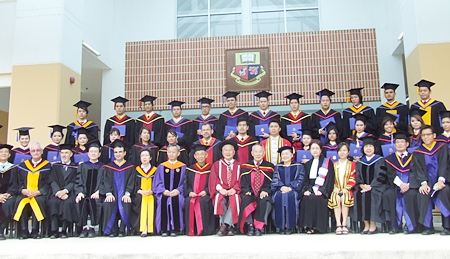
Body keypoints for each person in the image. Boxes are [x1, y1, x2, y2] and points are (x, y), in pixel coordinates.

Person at [410, 125, 450, 235]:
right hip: (426, 183)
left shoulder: (442, 147)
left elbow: (445, 165)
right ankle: (427, 226)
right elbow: (418, 170)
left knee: (445, 191)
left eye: (428, 134)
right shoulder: (418, 152)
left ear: (434, 135)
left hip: (442, 182)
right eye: (423, 135)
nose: (426, 137)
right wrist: (423, 183)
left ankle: (447, 226)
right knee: (422, 193)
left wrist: (441, 180)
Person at [12, 142, 51, 239]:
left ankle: (35, 231)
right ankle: (24, 231)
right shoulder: (23, 166)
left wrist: (39, 192)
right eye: (33, 150)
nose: (36, 152)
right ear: (30, 152)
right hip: (25, 193)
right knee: (20, 201)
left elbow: (49, 183)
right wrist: (23, 190)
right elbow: (17, 183)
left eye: (38, 150)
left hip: (40, 194)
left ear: (42, 152)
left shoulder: (47, 166)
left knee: (38, 201)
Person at [383, 131, 419, 234]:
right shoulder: (389, 159)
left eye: (402, 142)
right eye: (397, 142)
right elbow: (390, 174)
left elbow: (416, 173)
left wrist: (408, 185)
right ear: (394, 145)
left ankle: (410, 225)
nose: (399, 144)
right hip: (395, 186)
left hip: (410, 186)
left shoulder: (414, 157)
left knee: (411, 195)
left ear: (407, 144)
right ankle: (395, 225)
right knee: (390, 195)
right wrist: (401, 184)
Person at [299, 140, 335, 234]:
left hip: (322, 189)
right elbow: (306, 181)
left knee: (318, 198)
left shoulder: (327, 163)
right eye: (313, 148)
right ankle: (308, 226)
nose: (315, 150)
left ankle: (319, 227)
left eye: (317, 148)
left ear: (320, 150)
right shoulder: (307, 164)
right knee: (307, 198)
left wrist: (322, 190)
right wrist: (307, 190)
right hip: (311, 188)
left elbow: (329, 179)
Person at [353, 136, 387, 234]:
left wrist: (370, 186)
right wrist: (361, 185)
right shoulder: (360, 162)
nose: (368, 148)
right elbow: (357, 176)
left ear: (374, 148)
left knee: (371, 194)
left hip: (376, 187)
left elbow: (381, 176)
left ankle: (373, 224)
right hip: (363, 187)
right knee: (358, 194)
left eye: (370, 146)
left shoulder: (380, 160)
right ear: (363, 149)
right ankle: (366, 224)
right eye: (366, 146)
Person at [238, 144, 274, 236]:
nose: (258, 154)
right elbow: (244, 182)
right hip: (250, 192)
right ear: (252, 153)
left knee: (264, 201)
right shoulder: (246, 166)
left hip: (263, 193)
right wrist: (247, 190)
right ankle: (250, 225)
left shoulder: (269, 167)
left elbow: (271, 182)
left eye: (260, 152)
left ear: (264, 153)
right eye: (256, 152)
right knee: (246, 199)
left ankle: (259, 227)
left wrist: (265, 190)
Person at [101, 139, 135, 237]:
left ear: (124, 153)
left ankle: (122, 230)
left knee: (126, 202)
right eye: (115, 152)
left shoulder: (130, 167)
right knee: (109, 202)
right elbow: (105, 182)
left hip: (125, 194)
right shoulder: (108, 167)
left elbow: (131, 182)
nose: (118, 154)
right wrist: (109, 193)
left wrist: (128, 193)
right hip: (113, 193)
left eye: (120, 152)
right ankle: (112, 229)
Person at [209, 140, 242, 236]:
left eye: (230, 150)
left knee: (235, 199)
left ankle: (224, 225)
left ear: (234, 152)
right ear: (222, 152)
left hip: (234, 190)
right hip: (221, 190)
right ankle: (230, 226)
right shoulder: (216, 164)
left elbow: (241, 180)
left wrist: (235, 189)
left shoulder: (239, 165)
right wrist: (220, 189)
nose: (228, 152)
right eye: (225, 150)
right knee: (219, 199)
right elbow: (213, 180)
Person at [153, 144, 186, 237]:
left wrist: (179, 190)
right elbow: (157, 182)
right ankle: (164, 229)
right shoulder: (161, 166)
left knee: (175, 200)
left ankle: (176, 228)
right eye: (169, 152)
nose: (171, 154)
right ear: (167, 153)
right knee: (164, 200)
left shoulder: (183, 167)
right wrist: (163, 190)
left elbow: (185, 182)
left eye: (173, 152)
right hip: (164, 193)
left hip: (178, 193)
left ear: (178, 153)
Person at [271, 146, 305, 234]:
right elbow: (275, 179)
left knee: (291, 197)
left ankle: (291, 226)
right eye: (283, 154)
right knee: (278, 197)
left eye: (287, 154)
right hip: (280, 189)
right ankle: (280, 226)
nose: (285, 156)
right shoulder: (278, 167)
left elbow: (300, 179)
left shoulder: (298, 166)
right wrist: (281, 187)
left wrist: (290, 187)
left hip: (293, 190)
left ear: (291, 155)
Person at [48, 144, 78, 239]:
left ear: (71, 154)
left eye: (66, 153)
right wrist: (58, 192)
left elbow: (75, 181)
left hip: (69, 192)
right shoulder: (55, 166)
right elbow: (52, 180)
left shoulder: (76, 167)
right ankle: (54, 230)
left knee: (67, 203)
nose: (64, 155)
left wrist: (65, 191)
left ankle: (64, 230)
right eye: (62, 153)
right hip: (56, 193)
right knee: (53, 202)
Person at [75, 140, 104, 238]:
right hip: (84, 192)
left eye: (95, 152)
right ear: (88, 153)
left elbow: (104, 182)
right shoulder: (83, 166)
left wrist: (99, 191)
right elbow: (78, 180)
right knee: (82, 200)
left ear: (99, 154)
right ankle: (84, 228)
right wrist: (80, 192)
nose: (93, 153)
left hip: (96, 193)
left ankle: (92, 227)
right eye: (91, 151)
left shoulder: (103, 167)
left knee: (94, 201)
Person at [184, 145, 215, 236]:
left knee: (204, 201)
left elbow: (213, 183)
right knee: (188, 201)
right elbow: (186, 183)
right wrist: (190, 192)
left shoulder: (211, 168)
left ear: (206, 155)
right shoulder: (190, 169)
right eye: (198, 155)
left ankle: (206, 230)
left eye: (202, 154)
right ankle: (192, 229)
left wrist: (206, 191)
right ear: (195, 156)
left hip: (205, 194)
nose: (200, 156)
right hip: (193, 194)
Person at [328, 143, 356, 235]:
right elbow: (331, 178)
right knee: (336, 197)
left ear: (348, 152)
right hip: (336, 189)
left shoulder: (352, 165)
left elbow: (353, 177)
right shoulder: (333, 165)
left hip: (347, 189)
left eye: (344, 150)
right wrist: (335, 187)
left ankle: (344, 224)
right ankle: (338, 224)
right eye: (340, 151)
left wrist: (346, 188)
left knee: (344, 197)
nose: (342, 152)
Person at [132, 148, 157, 237]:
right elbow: (133, 184)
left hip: (152, 193)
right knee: (139, 200)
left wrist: (152, 191)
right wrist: (140, 191)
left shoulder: (155, 170)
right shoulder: (136, 170)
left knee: (155, 201)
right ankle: (142, 228)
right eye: (142, 156)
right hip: (140, 193)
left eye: (146, 155)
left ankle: (152, 228)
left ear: (150, 158)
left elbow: (158, 183)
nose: (144, 157)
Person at [0, 144, 17, 240]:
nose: (3, 154)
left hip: (8, 195)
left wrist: (7, 194)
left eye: (5, 152)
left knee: (7, 204)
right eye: (1, 152)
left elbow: (15, 184)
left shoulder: (13, 168)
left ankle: (1, 230)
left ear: (9, 155)